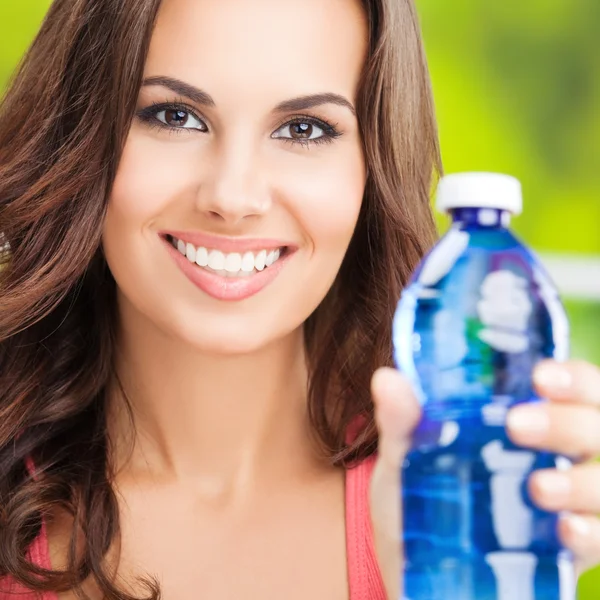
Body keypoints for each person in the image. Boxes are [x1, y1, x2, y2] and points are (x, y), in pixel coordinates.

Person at [1, 0, 599, 598]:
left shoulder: (447, 503)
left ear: (372, 167)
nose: (233, 196)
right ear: (78, 134)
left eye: (303, 129)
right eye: (176, 116)